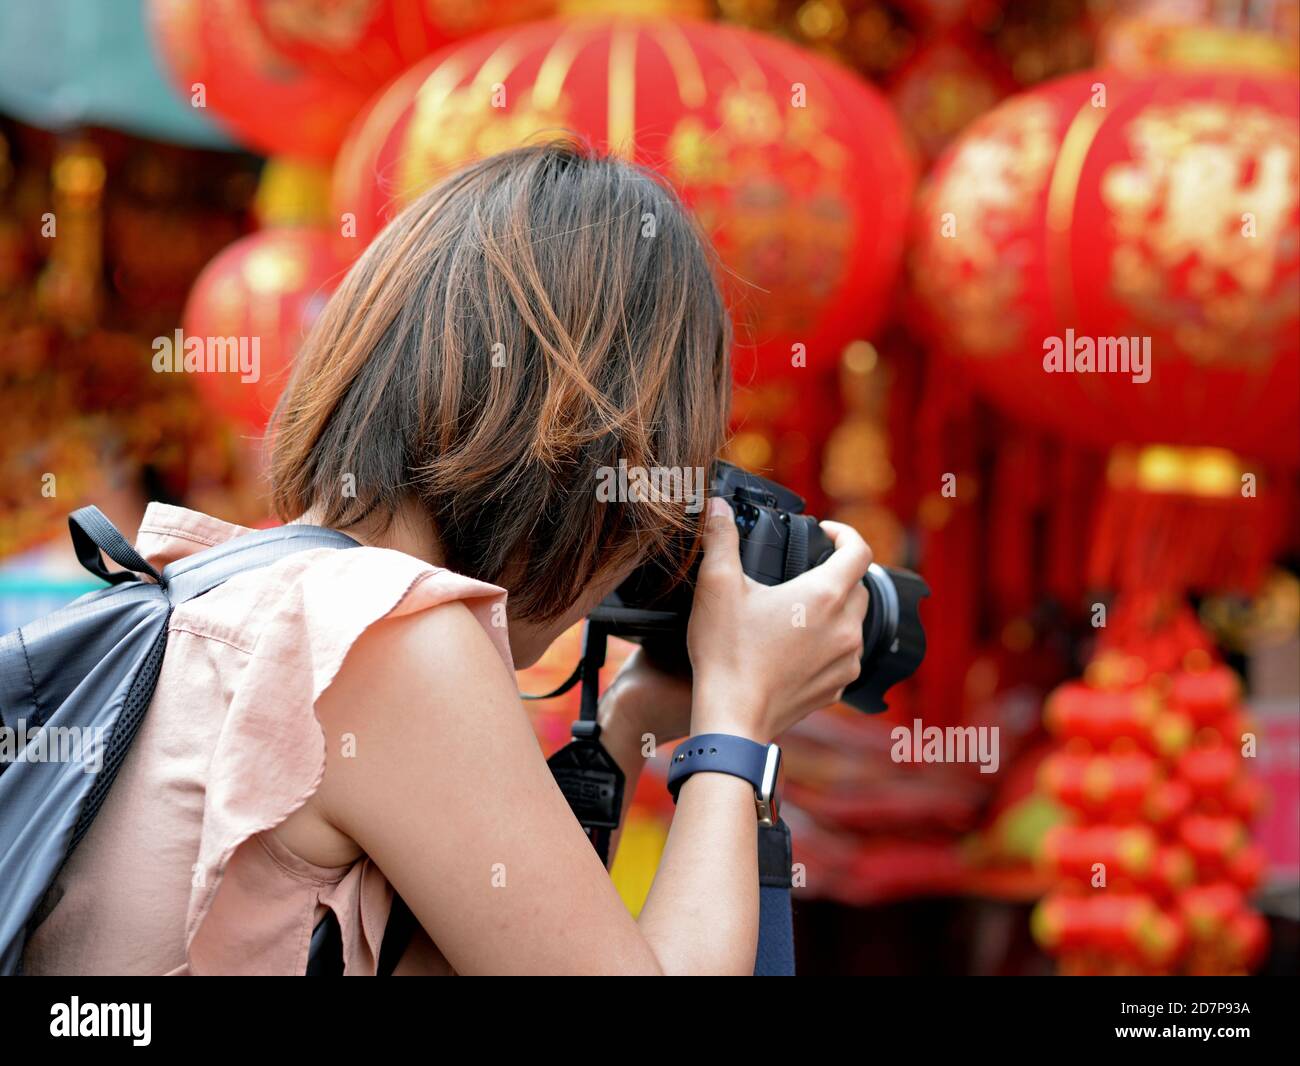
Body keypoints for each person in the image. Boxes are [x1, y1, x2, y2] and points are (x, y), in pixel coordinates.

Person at [24, 141, 871, 976]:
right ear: (600, 459)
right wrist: (739, 716)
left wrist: (635, 716)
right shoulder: (388, 638)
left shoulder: (248, 593)